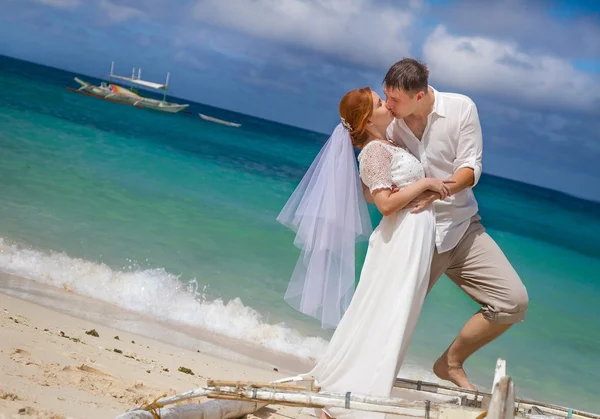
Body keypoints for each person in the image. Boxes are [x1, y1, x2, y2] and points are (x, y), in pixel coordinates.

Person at [277, 87, 455, 419]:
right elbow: (386, 204)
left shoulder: (388, 145)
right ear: (366, 119)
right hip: (399, 240)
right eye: (378, 103)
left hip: (410, 239)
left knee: (397, 315)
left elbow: (374, 195)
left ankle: (361, 391)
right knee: (389, 313)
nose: (386, 104)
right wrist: (425, 184)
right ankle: (349, 399)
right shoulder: (374, 150)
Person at [379, 58, 529, 390]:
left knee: (513, 301)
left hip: (463, 227)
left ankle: (450, 363)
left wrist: (440, 189)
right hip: (417, 232)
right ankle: (371, 377)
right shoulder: (391, 127)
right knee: (395, 313)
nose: (388, 105)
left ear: (419, 96)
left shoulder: (461, 108)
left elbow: (470, 168)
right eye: (385, 97)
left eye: (395, 100)